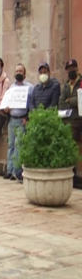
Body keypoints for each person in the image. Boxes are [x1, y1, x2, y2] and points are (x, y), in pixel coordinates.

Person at [3, 63, 32, 182]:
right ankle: (9, 170)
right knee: (10, 145)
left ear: (24, 74)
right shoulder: (11, 89)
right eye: (17, 71)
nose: (18, 73)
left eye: (20, 71)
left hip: (21, 119)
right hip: (12, 119)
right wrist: (6, 109)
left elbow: (32, 105)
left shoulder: (30, 88)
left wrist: (28, 118)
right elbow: (6, 104)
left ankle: (17, 171)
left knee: (19, 145)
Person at [59, 58, 82, 188]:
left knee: (71, 140)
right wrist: (71, 101)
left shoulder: (81, 82)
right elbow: (61, 102)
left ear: (77, 69)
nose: (71, 70)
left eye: (73, 68)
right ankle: (68, 173)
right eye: (68, 69)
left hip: (78, 119)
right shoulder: (66, 85)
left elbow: (81, 101)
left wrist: (70, 101)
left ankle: (72, 173)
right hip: (67, 118)